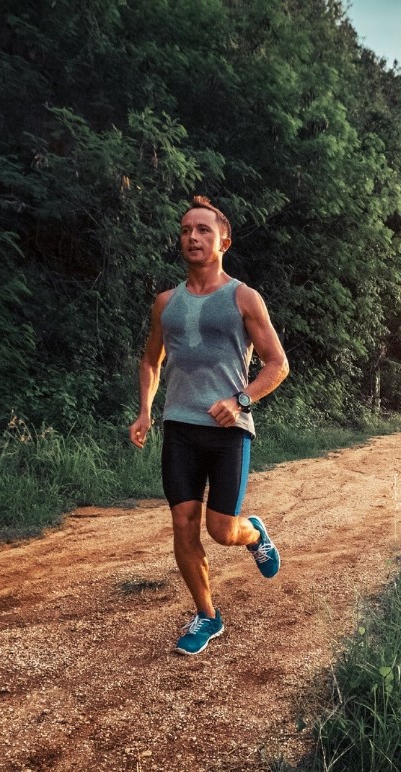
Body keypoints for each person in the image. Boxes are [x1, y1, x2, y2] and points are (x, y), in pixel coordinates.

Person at [129, 195, 290, 655]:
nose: (193, 237)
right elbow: (150, 360)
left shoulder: (243, 297)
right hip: (179, 426)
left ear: (224, 240)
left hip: (228, 431)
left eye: (202, 230)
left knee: (222, 530)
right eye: (185, 230)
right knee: (183, 523)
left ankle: (254, 531)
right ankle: (207, 615)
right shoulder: (166, 303)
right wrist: (144, 410)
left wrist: (241, 399)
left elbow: (277, 364)